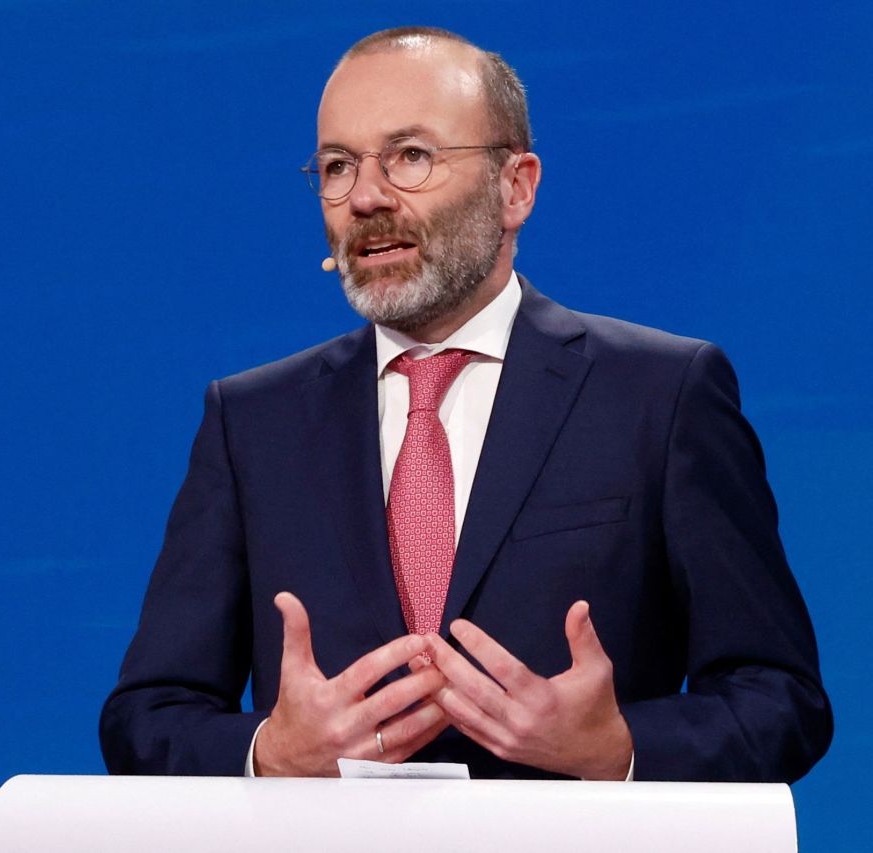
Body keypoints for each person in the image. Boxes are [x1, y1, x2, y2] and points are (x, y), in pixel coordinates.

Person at [99, 26, 832, 781]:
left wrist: (617, 746)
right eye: (337, 166)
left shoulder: (663, 395)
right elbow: (145, 716)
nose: (367, 197)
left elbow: (781, 700)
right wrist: (271, 754)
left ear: (515, 187)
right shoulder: (252, 423)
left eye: (410, 156)